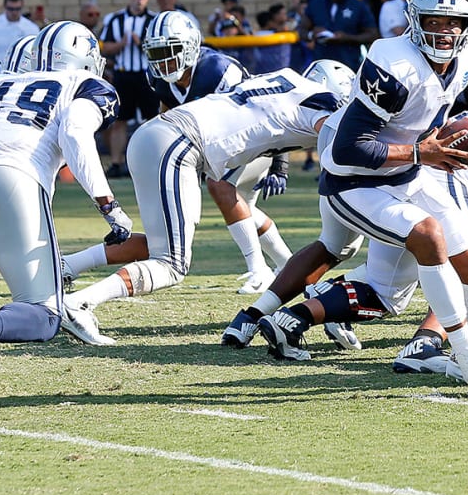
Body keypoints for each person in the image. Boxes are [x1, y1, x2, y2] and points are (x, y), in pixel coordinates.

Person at [306, 0, 468, 395]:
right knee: (427, 235)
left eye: (453, 22)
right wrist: (423, 152)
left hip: (407, 171)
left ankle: (465, 350)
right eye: (435, 20)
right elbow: (349, 149)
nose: (445, 30)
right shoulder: (393, 62)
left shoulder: (467, 60)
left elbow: (434, 112)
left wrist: (440, 145)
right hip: (353, 183)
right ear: (415, 19)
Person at [59, 64, 351, 345]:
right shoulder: (323, 103)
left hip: (159, 135)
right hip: (180, 144)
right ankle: (79, 303)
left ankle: (65, 266)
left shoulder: (285, 79)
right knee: (171, 264)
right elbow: (343, 146)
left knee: (162, 247)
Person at [0, 21, 128, 399]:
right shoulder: (84, 84)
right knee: (44, 314)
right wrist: (109, 205)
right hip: (16, 178)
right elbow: (73, 130)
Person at [99, 0, 157, 178]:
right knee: (120, 120)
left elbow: (159, 50)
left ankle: (156, 159)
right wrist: (121, 44)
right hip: (124, 74)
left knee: (154, 120)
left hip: (146, 75)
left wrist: (141, 44)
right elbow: (105, 47)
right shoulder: (115, 20)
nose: (138, 0)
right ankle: (116, 163)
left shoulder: (154, 20)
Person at [302, 0, 378, 70]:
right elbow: (301, 29)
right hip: (321, 63)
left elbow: (372, 34)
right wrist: (311, 34)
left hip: (348, 63)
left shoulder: (358, 5)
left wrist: (347, 37)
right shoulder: (316, 4)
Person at [253, 4, 292, 74]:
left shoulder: (255, 35)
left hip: (260, 69)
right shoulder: (273, 34)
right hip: (275, 68)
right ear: (269, 22)